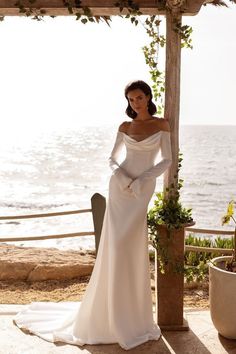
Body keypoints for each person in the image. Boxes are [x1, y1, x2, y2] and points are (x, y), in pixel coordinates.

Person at [13, 80, 172, 351]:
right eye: (131, 99)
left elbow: (166, 160)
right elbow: (112, 159)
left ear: (148, 97)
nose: (135, 103)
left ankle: (133, 318)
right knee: (116, 248)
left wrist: (141, 180)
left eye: (139, 98)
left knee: (130, 249)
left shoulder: (161, 125)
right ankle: (109, 316)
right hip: (120, 189)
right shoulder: (124, 127)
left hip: (141, 190)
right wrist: (124, 178)